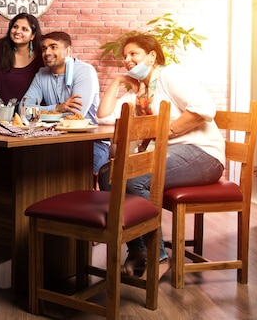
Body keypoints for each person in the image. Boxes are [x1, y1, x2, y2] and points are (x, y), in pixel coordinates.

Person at [96, 34, 225, 277]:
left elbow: (204, 108)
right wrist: (116, 81)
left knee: (135, 179)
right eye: (124, 56)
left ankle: (159, 256)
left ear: (152, 56)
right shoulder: (141, 92)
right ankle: (139, 250)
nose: (128, 60)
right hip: (172, 154)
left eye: (134, 53)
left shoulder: (168, 75)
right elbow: (103, 116)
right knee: (108, 175)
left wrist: (165, 131)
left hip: (203, 154)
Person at [22, 31, 109, 175]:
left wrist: (44, 113)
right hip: (54, 142)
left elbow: (75, 116)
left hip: (90, 143)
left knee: (57, 172)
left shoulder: (84, 71)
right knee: (28, 166)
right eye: (44, 48)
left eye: (53, 47)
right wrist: (58, 108)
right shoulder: (41, 74)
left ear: (68, 51)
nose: (47, 52)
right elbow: (24, 109)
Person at [0, 13, 44, 105]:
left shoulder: (41, 53)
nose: (17, 31)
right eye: (15, 27)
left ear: (32, 35)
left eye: (25, 29)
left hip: (32, 114)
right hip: (1, 114)